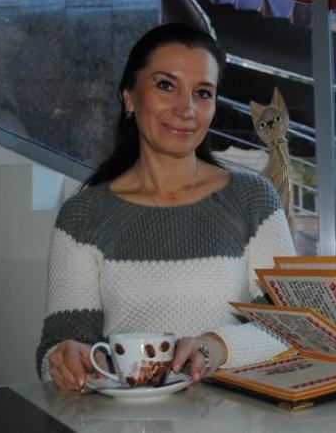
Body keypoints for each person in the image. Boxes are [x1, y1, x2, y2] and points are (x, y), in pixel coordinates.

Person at [36, 23, 295, 391]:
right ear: (129, 97)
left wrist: (215, 348)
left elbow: (290, 330)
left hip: (236, 414)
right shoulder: (82, 217)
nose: (186, 109)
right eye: (165, 85)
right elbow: (56, 353)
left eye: (202, 93)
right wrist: (65, 361)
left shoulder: (253, 200)